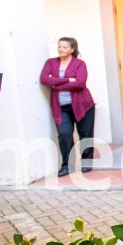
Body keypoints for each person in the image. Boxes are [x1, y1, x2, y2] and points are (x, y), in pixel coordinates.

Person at [40, 37, 95, 177]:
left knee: (85, 134)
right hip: (61, 107)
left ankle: (87, 163)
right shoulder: (51, 63)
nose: (61, 49)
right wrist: (66, 80)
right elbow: (44, 79)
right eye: (59, 46)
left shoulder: (79, 64)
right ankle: (67, 165)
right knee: (64, 134)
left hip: (83, 105)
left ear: (72, 49)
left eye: (64, 47)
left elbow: (80, 83)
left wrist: (56, 84)